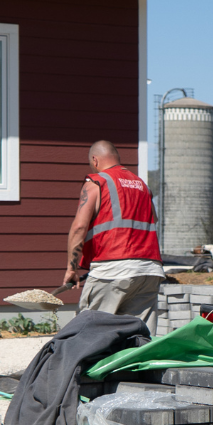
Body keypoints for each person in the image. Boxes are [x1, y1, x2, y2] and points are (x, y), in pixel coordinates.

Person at [63, 141, 164, 331]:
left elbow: (79, 227)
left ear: (95, 160)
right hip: (149, 269)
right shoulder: (142, 186)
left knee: (92, 331)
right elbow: (153, 219)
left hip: (112, 270)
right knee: (139, 335)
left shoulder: (96, 183)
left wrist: (72, 268)